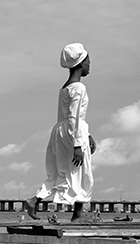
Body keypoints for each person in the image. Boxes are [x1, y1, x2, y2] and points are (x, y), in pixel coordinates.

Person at [25, 43, 96, 222]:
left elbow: (72, 117)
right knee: (81, 172)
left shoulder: (65, 86)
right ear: (80, 64)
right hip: (72, 132)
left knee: (62, 173)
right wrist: (78, 144)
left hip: (62, 131)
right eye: (88, 61)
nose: (90, 65)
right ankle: (77, 215)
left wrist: (87, 134)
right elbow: (74, 117)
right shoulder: (79, 87)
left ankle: (36, 200)